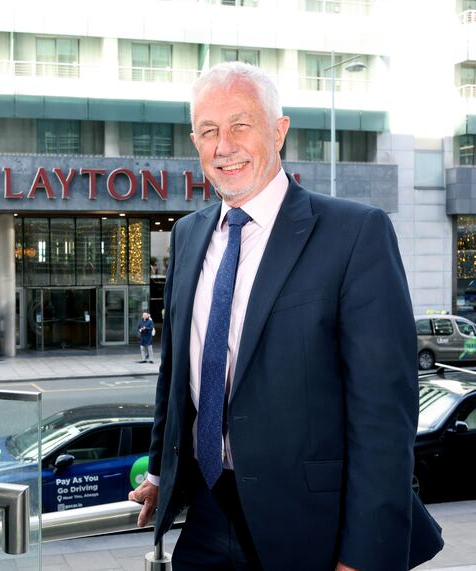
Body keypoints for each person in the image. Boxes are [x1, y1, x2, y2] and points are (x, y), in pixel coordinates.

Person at [128, 62, 444, 570]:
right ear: (194, 141)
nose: (223, 145)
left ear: (279, 131)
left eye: (240, 125)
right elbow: (176, 376)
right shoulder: (187, 235)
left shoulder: (355, 233)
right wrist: (164, 476)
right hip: (205, 518)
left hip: (313, 529)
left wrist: (363, 559)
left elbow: (384, 416)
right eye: (208, 131)